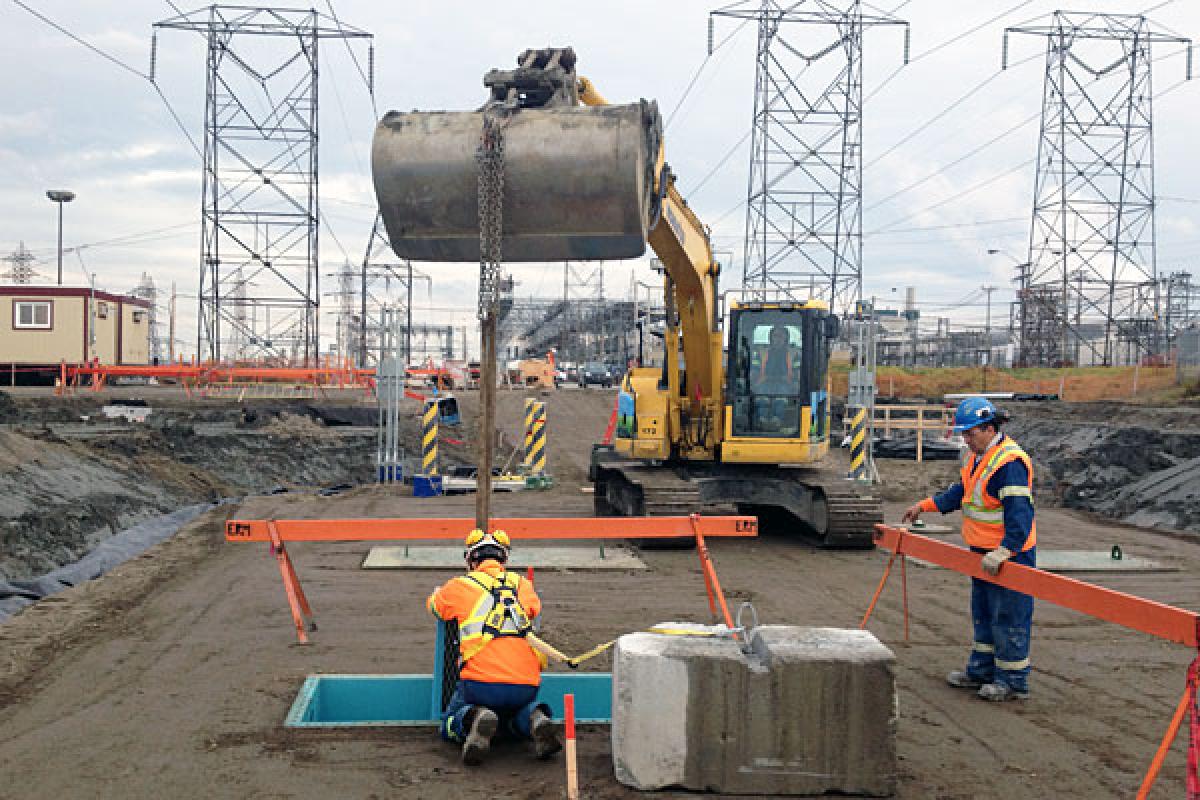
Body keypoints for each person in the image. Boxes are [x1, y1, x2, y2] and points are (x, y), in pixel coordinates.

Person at [902, 397, 1036, 702]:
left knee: (1009, 616)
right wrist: (924, 506)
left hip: (1009, 556)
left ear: (989, 429)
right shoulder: (979, 458)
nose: (965, 439)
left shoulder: (1009, 463)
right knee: (984, 613)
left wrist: (1006, 551)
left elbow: (1020, 513)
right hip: (982, 553)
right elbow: (959, 494)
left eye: (970, 433)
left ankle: (1012, 681)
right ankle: (982, 671)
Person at [427, 528, 563, 765]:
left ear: (471, 560)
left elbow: (435, 607)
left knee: (449, 721)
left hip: (480, 684)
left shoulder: (460, 586)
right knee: (514, 719)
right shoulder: (523, 585)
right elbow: (534, 609)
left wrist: (438, 593)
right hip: (525, 683)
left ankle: (472, 718)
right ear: (505, 559)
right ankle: (534, 717)